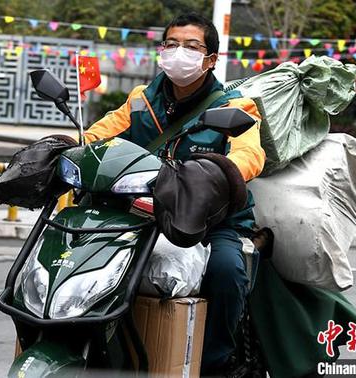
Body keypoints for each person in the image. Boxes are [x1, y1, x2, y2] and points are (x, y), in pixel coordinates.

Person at [84, 12, 265, 376]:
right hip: (140, 214)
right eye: (171, 44)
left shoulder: (235, 105)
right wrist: (63, 150)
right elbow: (96, 136)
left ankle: (215, 363)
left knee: (227, 272)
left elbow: (249, 154)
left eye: (192, 46)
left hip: (210, 221)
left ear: (211, 59)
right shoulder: (140, 100)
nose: (178, 52)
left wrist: (219, 173)